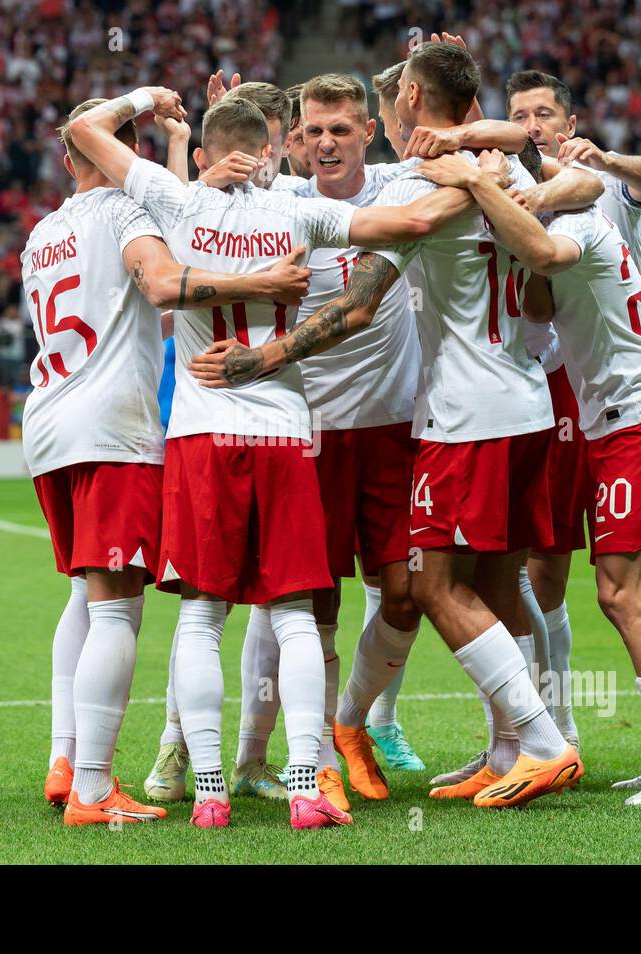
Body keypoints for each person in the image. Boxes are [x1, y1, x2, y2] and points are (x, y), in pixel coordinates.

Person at [191, 43, 593, 811]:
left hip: (413, 422)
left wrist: (264, 354)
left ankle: (436, 734)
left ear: (379, 122)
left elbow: (362, 301)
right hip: (314, 426)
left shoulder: (401, 186)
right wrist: (217, 144)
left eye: (342, 128)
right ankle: (257, 752)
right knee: (306, 602)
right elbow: (546, 220)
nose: (327, 143)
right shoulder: (285, 200)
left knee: (417, 590)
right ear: (292, 141)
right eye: (311, 132)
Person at [70, 84, 474, 828]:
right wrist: (479, 176)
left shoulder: (175, 201)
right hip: (288, 429)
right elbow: (414, 219)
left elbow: (83, 130)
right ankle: (301, 787)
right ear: (269, 150)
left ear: (210, 152)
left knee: (200, 620)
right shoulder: (299, 209)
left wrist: (147, 99)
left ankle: (213, 793)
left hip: (201, 431)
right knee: (294, 618)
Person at [32, 98, 311, 826]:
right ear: (130, 157)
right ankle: (94, 785)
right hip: (112, 429)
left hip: (47, 423)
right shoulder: (131, 215)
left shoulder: (43, 232)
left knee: (83, 594)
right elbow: (164, 286)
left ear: (68, 160)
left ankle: (66, 756)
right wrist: (263, 284)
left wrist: (193, 159)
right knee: (120, 607)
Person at [418, 144, 641, 805]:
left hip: (636, 416)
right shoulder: (563, 220)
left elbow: (550, 252)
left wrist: (479, 182)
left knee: (620, 593)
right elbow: (539, 305)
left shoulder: (577, 222)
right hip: (621, 418)